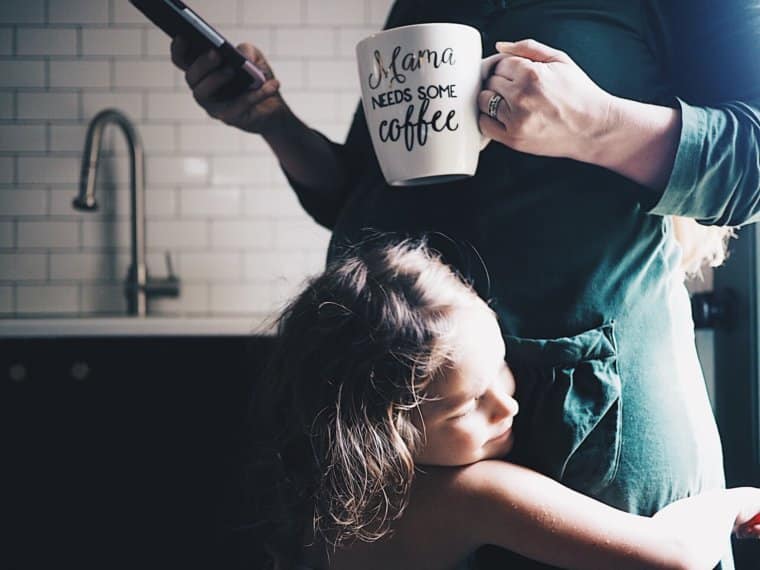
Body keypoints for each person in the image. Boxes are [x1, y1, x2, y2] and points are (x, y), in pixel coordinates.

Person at [170, 1, 760, 567]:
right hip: (402, 410)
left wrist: (597, 125)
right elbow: (366, 191)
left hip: (592, 406)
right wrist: (274, 122)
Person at [249, 234, 760, 570]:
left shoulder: (316, 501)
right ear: (382, 431)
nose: (506, 405)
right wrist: (734, 501)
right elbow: (675, 556)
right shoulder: (469, 495)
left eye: (501, 363)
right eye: (469, 403)